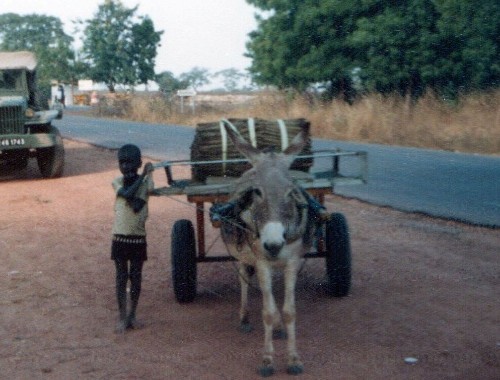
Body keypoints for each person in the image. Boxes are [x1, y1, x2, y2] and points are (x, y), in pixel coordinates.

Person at [111, 144, 154, 333]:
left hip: (137, 239)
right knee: (121, 277)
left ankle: (132, 315)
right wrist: (144, 175)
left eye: (130, 163)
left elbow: (136, 206)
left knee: (135, 278)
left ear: (139, 163)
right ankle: (122, 317)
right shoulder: (117, 182)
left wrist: (147, 176)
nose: (126, 167)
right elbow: (129, 195)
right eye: (122, 163)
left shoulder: (144, 185)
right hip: (119, 237)